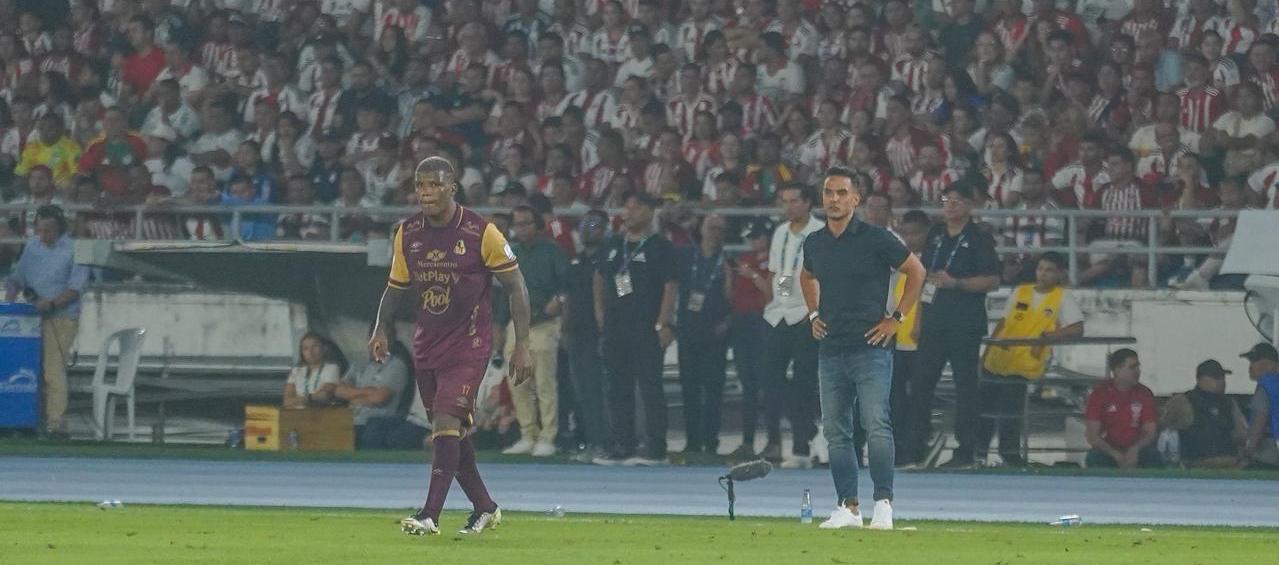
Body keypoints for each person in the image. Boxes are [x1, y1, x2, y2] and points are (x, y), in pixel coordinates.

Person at [370, 156, 535, 536]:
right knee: (452, 434)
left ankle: (430, 514)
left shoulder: (482, 231)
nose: (426, 191)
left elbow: (516, 286)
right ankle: (485, 507)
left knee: (445, 423)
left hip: (469, 344)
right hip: (427, 345)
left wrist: (521, 343)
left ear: (452, 188)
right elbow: (395, 288)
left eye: (434, 184)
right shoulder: (408, 232)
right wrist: (381, 328)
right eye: (420, 185)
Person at [801, 167, 925, 531]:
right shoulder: (815, 242)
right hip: (831, 348)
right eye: (829, 193)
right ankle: (848, 506)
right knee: (836, 432)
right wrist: (813, 314)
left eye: (842, 193)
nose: (834, 199)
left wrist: (896, 318)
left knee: (876, 426)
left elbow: (916, 271)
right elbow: (806, 277)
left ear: (856, 198)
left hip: (870, 347)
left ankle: (883, 503)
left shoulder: (876, 238)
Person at [912, 183, 1001, 468]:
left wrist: (958, 283)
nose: (950, 205)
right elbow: (925, 278)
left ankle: (966, 450)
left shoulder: (978, 238)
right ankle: (918, 443)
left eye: (957, 201)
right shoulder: (936, 235)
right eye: (946, 200)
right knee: (921, 382)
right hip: (934, 320)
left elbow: (993, 280)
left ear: (969, 206)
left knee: (966, 386)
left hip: (964, 322)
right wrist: (918, 320)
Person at [592, 191, 679, 466]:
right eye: (625, 207)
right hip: (616, 327)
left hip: (646, 327)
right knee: (618, 387)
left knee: (650, 386)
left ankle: (656, 448)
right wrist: (601, 316)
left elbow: (670, 286)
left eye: (634, 207)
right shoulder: (613, 244)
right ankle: (623, 445)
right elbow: (600, 278)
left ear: (649, 212)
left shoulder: (660, 246)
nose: (627, 213)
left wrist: (663, 323)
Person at [979, 252, 1084, 466]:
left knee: (1011, 410)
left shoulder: (1062, 297)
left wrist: (1049, 337)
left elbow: (1077, 328)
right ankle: (978, 452)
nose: (1043, 274)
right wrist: (987, 350)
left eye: (1049, 270)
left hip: (1025, 362)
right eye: (1040, 269)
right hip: (998, 357)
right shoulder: (1021, 291)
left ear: (1059, 274)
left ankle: (1009, 454)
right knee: (984, 408)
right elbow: (1003, 322)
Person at [4, 205, 89, 439]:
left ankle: (56, 423)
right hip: (30, 318)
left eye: (49, 230)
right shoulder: (32, 246)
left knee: (53, 369)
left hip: (61, 317)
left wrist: (51, 304)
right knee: (29, 370)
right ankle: (29, 420)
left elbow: (75, 288)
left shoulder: (74, 249)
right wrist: (9, 304)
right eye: (40, 230)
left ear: (60, 227)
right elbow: (16, 278)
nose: (44, 235)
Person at [761, 183, 824, 467]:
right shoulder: (781, 233)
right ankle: (803, 432)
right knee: (770, 377)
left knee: (804, 381)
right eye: (784, 201)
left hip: (808, 313)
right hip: (780, 311)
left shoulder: (820, 232)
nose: (789, 207)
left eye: (795, 200)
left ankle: (801, 446)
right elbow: (777, 271)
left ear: (808, 203)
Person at [500, 205, 570, 458]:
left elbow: (567, 285)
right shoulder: (510, 253)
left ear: (537, 225)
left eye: (527, 223)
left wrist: (559, 302)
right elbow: (502, 291)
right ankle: (527, 434)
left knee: (544, 384)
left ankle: (548, 436)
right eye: (518, 224)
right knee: (518, 383)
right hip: (516, 324)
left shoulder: (552, 251)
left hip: (544, 323)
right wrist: (498, 326)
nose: (522, 228)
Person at [676, 214, 731, 456]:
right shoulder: (686, 256)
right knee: (689, 387)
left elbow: (734, 298)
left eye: (720, 229)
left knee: (713, 388)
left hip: (715, 331)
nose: (715, 233)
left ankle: (710, 441)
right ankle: (692, 441)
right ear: (702, 229)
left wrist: (728, 322)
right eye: (712, 227)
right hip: (688, 327)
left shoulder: (728, 262)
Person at [562, 210, 612, 462]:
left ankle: (604, 443)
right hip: (578, 332)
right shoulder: (576, 261)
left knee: (598, 390)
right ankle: (590, 441)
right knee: (582, 391)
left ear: (604, 230)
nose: (587, 229)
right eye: (584, 224)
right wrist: (565, 329)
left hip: (598, 333)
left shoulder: (609, 259)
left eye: (594, 225)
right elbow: (569, 297)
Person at [725, 219, 773, 460]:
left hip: (761, 322)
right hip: (742, 322)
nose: (754, 241)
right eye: (751, 237)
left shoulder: (774, 261)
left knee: (766, 384)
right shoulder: (745, 258)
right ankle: (747, 442)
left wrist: (752, 274)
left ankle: (774, 440)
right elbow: (732, 292)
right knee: (749, 386)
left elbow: (771, 293)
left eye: (758, 236)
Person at [890, 210, 929, 464]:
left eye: (916, 233)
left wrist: (920, 324)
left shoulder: (931, 261)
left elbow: (928, 297)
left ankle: (917, 446)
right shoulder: (899, 262)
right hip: (896, 337)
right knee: (895, 397)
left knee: (918, 397)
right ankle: (900, 447)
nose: (911, 238)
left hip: (918, 340)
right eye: (907, 233)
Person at [1162, 360, 1248, 468]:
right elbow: (1165, 434)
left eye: (1222, 377)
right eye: (1216, 377)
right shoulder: (1182, 401)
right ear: (1201, 379)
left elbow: (1242, 435)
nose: (1222, 382)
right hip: (1197, 467)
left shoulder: (1229, 403)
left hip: (1229, 465)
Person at [1083, 349, 1161, 469]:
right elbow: (1093, 437)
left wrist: (1135, 449)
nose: (1138, 371)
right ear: (1117, 370)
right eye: (1132, 367)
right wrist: (1115, 454)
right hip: (1108, 450)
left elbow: (1150, 432)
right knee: (1094, 459)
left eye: (1138, 367)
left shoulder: (1144, 393)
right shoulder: (1100, 394)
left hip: (1138, 450)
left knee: (1154, 457)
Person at [336, 338, 412, 450]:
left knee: (371, 431)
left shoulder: (396, 365)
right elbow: (338, 391)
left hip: (378, 421)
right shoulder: (359, 364)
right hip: (351, 420)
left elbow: (380, 398)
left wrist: (353, 396)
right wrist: (366, 391)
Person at [1243, 343, 1279, 467]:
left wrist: (1248, 451)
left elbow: (1259, 422)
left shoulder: (1266, 387)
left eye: (1255, 361)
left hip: (1270, 456)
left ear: (1270, 364)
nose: (1250, 367)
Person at [282, 332, 341, 408]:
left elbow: (324, 396)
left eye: (315, 346)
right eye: (305, 348)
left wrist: (298, 399)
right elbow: (286, 401)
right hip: (297, 415)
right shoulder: (296, 371)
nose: (310, 352)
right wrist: (311, 398)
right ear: (302, 352)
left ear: (324, 348)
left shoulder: (332, 368)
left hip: (321, 415)